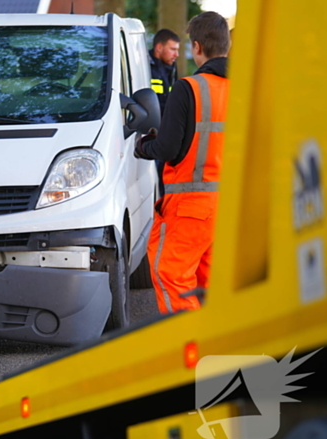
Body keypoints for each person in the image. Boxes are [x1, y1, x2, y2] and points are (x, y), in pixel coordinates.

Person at [134, 11, 231, 313]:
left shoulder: (189, 87)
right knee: (210, 283)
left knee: (170, 274)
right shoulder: (246, 89)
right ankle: (217, 347)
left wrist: (143, 147)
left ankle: (187, 348)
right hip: (228, 206)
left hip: (190, 205)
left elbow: (168, 147)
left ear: (197, 47)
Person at [149, 29, 181, 115]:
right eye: (173, 49)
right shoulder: (144, 66)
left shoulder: (172, 67)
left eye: (177, 50)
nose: (177, 54)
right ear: (159, 47)